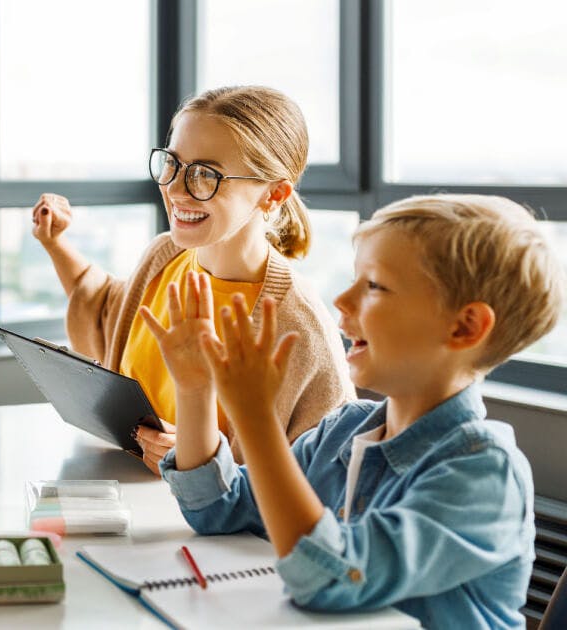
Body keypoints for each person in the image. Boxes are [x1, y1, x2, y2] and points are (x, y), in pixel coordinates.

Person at [147, 194, 562, 628]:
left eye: (374, 286)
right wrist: (196, 390)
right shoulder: (341, 431)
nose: (341, 301)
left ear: (464, 326)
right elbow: (216, 508)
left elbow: (330, 579)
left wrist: (256, 420)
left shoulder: (484, 474)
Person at [31, 85, 352, 471]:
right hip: (126, 506)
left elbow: (325, 478)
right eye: (173, 164)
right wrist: (55, 243)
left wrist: (202, 462)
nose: (176, 189)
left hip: (210, 532)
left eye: (205, 174)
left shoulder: (299, 330)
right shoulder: (164, 257)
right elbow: (105, 310)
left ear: (274, 194)